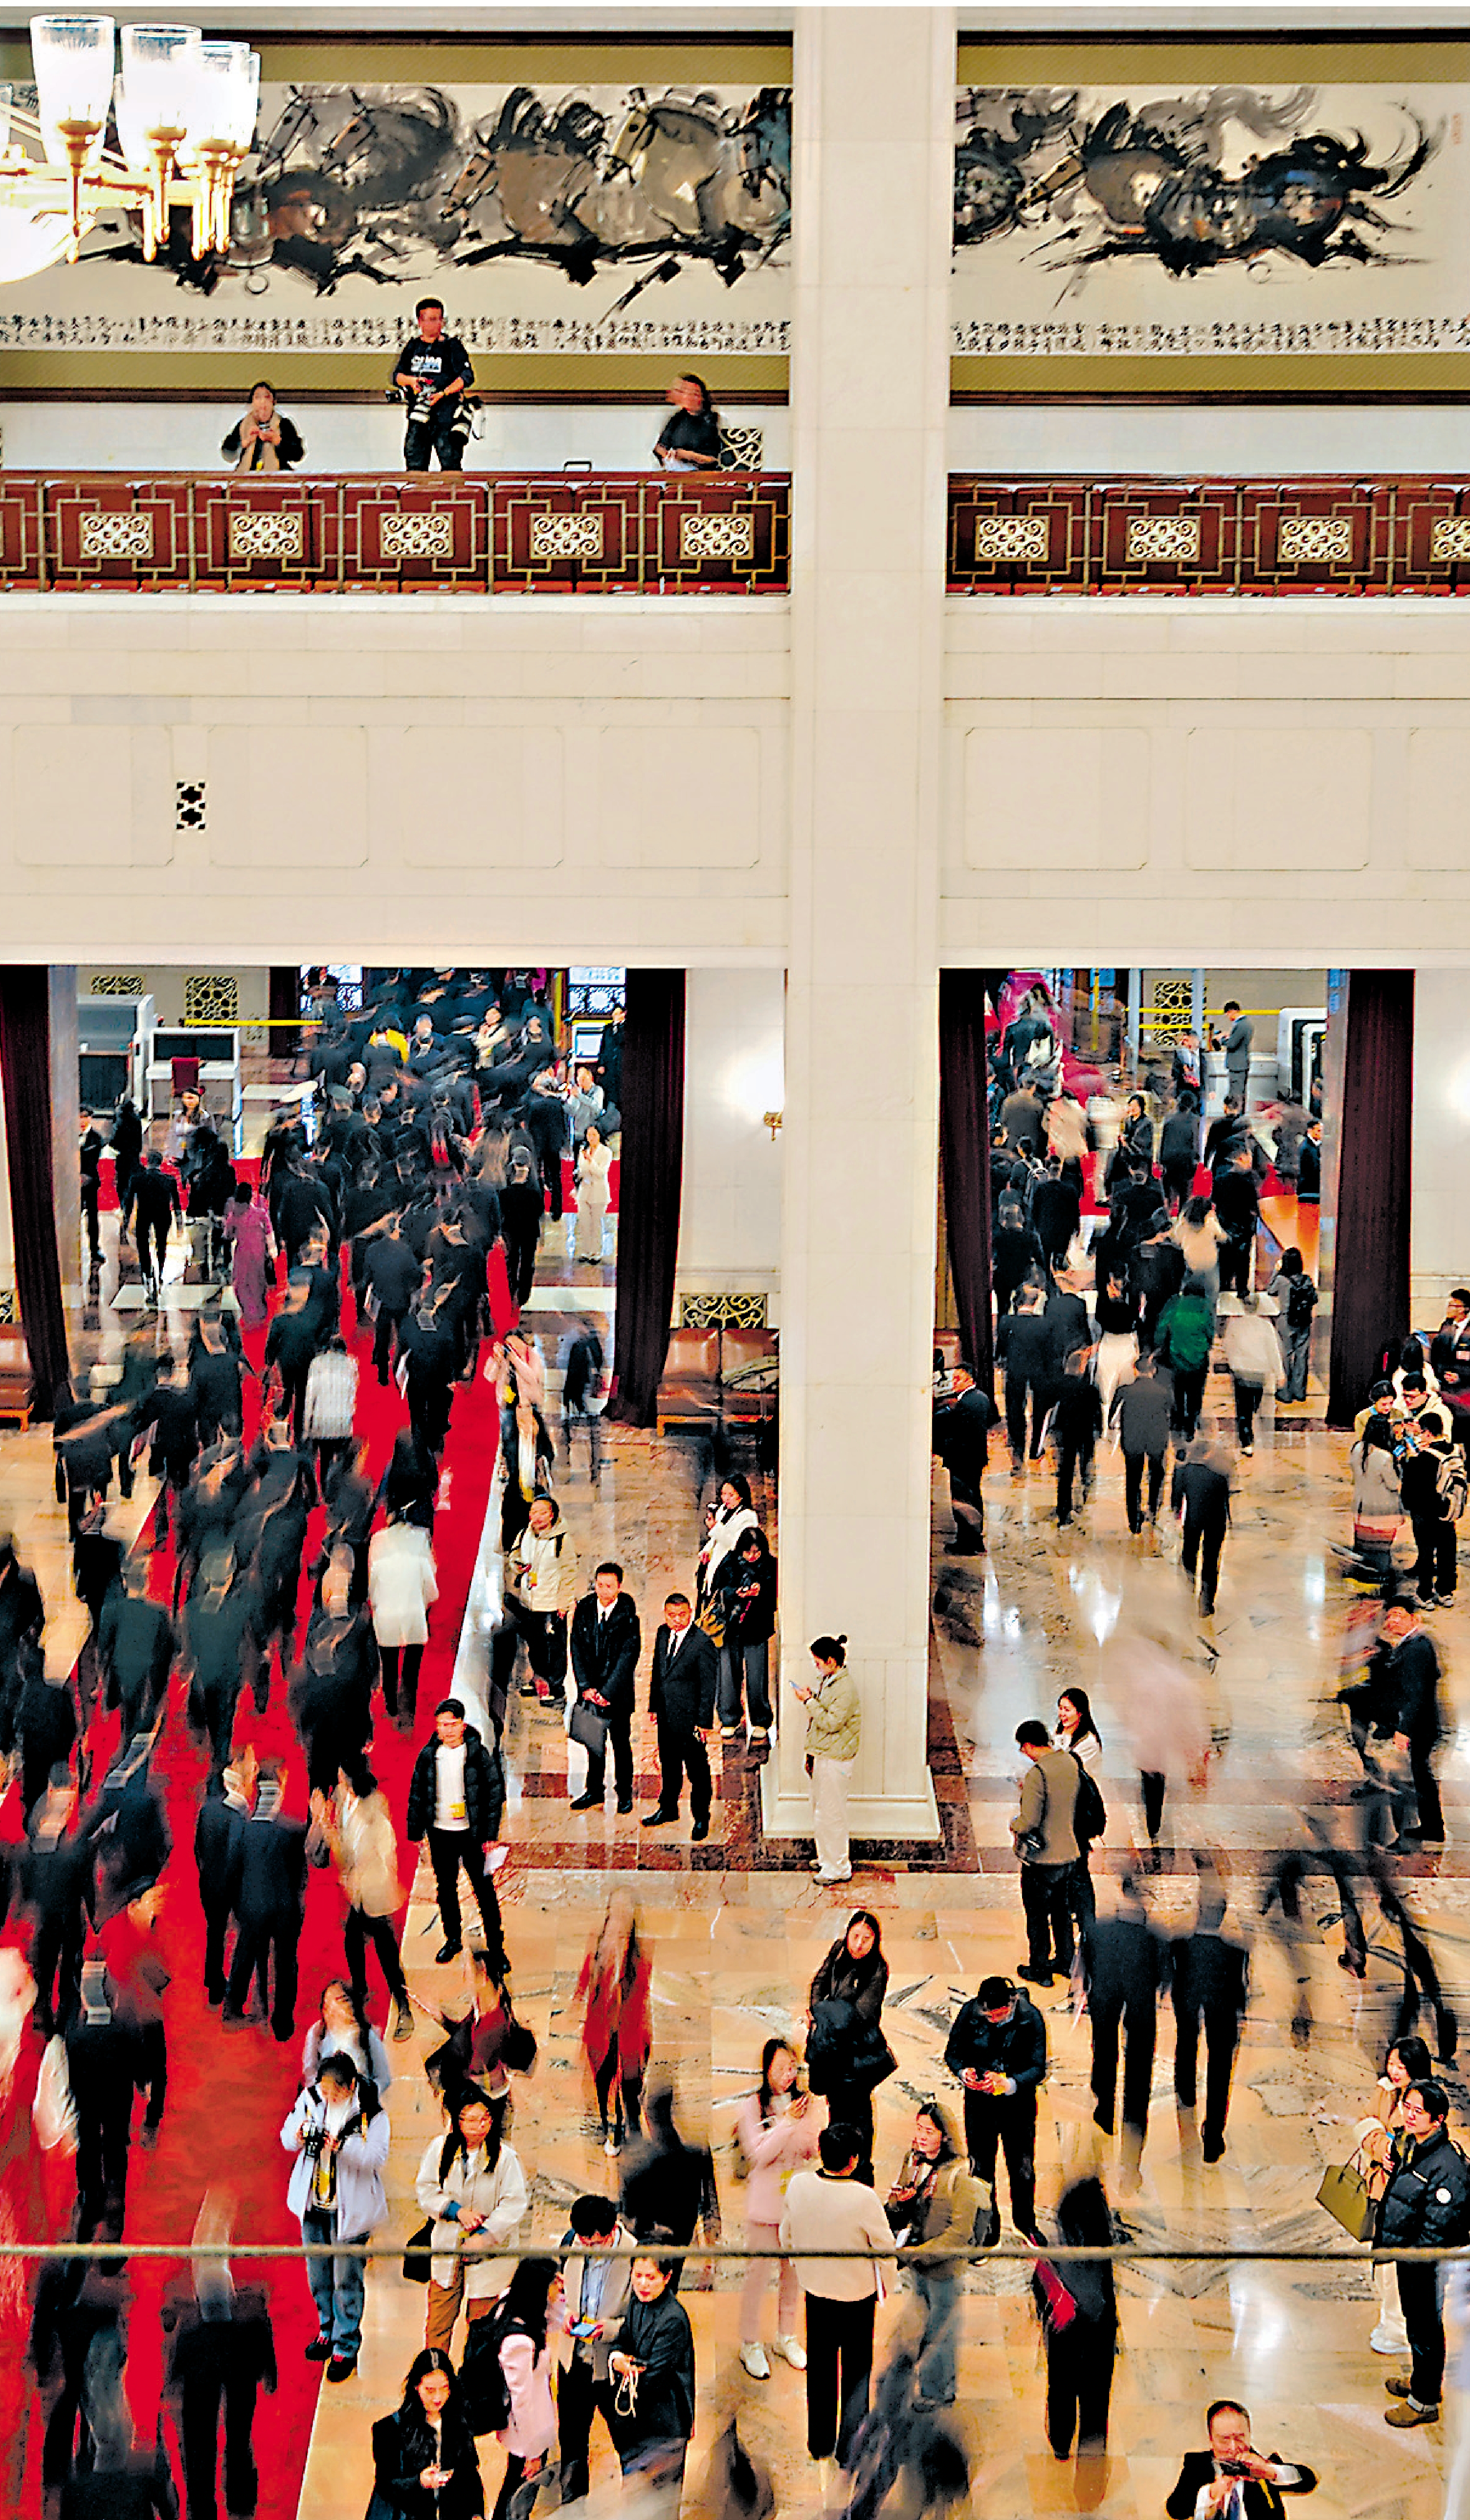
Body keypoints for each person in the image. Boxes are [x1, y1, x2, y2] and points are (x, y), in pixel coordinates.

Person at [780, 2124, 897, 2475]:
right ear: (854, 2160)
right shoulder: (864, 2198)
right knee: (857, 2374)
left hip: (816, 2293)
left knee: (820, 2370)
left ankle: (819, 2443)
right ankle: (850, 2449)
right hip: (856, 2299)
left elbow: (787, 2235)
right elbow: (885, 2249)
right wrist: (886, 2287)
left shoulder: (799, 2185)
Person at [280, 2052, 389, 2383]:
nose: (328, 2097)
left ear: (351, 2086)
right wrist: (299, 2135)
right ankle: (326, 2328)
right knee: (318, 2274)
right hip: (314, 2204)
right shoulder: (311, 2098)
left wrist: (341, 2145)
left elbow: (377, 2156)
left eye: (335, 2092)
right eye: (324, 2090)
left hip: (350, 2209)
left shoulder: (371, 2111)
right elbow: (286, 2137)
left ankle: (346, 2344)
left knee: (347, 2280)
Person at [1376, 2078, 1470, 2425]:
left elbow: (1439, 2227)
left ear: (1439, 2120)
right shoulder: (1412, 2144)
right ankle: (1421, 2382)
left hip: (1426, 2261)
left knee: (1426, 2328)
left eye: (1420, 2112)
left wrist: (1416, 2257)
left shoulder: (1448, 2167)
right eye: (1408, 2107)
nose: (1411, 2116)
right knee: (1416, 2324)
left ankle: (1424, 2401)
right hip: (1409, 2254)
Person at [416, 2082, 529, 2354]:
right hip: (449, 2252)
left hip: (490, 2259)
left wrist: (486, 2235)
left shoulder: (505, 2158)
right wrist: (457, 2211)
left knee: (483, 2330)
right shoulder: (440, 2150)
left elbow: (514, 2203)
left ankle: (474, 2387)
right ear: (458, 2121)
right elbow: (426, 2191)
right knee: (437, 2328)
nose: (481, 2126)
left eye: (486, 2119)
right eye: (473, 2120)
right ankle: (436, 2377)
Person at [884, 2100, 982, 2409]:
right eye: (919, 2129)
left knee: (942, 2333)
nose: (922, 2136)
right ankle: (928, 2382)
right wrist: (899, 2202)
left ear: (945, 2134)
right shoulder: (913, 2161)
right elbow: (899, 2211)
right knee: (924, 2326)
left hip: (943, 2269)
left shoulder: (960, 2173)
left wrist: (917, 2254)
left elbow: (959, 2234)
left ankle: (939, 2391)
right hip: (919, 2263)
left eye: (930, 2130)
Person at [312, 1759, 413, 2042]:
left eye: (342, 1777)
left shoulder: (375, 1816)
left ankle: (403, 2005)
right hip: (358, 1891)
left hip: (374, 1894)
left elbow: (350, 1858)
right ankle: (360, 1989)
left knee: (386, 1952)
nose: (338, 1781)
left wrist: (325, 1825)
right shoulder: (344, 1799)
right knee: (353, 1942)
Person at [943, 1972, 1046, 2245]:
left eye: (998, 2015)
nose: (993, 2020)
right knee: (981, 2168)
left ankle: (1026, 2222)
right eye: (988, 2016)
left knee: (1022, 2168)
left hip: (1018, 2107)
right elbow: (952, 2053)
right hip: (980, 2106)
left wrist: (1009, 2083)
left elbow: (1038, 2069)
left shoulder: (1030, 2018)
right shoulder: (971, 2013)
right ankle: (989, 2224)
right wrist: (964, 2073)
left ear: (1010, 2005)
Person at [735, 2037, 817, 2380]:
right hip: (765, 2206)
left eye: (793, 2068)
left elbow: (811, 2147)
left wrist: (787, 2134)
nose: (788, 2075)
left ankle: (787, 2336)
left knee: (792, 2276)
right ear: (767, 2069)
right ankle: (749, 2342)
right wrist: (785, 2126)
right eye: (782, 2068)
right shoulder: (753, 2106)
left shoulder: (808, 2104)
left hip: (796, 2204)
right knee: (757, 2277)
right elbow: (758, 2154)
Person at [405, 1699, 506, 1966]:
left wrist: (490, 1835)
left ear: (462, 1725)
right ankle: (452, 1940)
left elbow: (494, 1794)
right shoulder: (429, 1756)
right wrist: (415, 1833)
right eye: (442, 1725)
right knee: (446, 1890)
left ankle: (496, 1947)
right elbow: (417, 1794)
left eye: (452, 1724)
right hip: (441, 1834)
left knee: (484, 1892)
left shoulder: (476, 1754)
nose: (447, 1730)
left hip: (471, 1835)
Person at [1353, 2035, 1434, 2357]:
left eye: (1401, 2065)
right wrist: (1380, 2145)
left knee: (1395, 2270)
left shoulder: (1425, 2102)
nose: (1395, 2070)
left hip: (1404, 2200)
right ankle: (1391, 2324)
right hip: (1381, 2192)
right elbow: (1365, 2121)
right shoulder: (1386, 2091)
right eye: (1391, 2063)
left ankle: (1398, 2330)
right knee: (1384, 2264)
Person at [1035, 2175, 1118, 2473]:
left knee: (1061, 2388)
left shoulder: (1057, 2246)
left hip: (1065, 2332)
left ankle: (1060, 2444)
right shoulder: (1102, 2248)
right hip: (1098, 2335)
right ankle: (1090, 2483)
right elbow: (1104, 2294)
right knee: (1095, 2408)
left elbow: (1040, 2287)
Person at [556, 2193, 634, 2504]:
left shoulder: (636, 2256)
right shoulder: (574, 2242)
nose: (586, 2246)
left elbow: (640, 2319)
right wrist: (566, 2315)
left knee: (628, 2443)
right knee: (572, 2443)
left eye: (593, 2241)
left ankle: (635, 2506)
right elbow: (562, 2289)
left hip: (611, 2369)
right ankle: (574, 2508)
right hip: (573, 2362)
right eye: (582, 2240)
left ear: (611, 2231)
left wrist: (609, 2329)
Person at [223, 1758, 306, 2041]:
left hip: (252, 1906)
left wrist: (238, 1907)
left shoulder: (242, 1828)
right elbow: (299, 1876)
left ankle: (233, 2006)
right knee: (285, 1964)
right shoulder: (293, 1829)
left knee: (244, 1955)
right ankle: (282, 2021)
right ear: (279, 1789)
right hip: (285, 1908)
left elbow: (232, 1870)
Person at [603, 2247, 697, 2498]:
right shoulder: (637, 2303)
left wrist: (630, 2366)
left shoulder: (673, 2320)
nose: (643, 2284)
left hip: (665, 2425)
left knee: (661, 2501)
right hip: (636, 2423)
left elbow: (654, 2376)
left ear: (667, 2278)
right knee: (635, 2497)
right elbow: (622, 2341)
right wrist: (618, 2359)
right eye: (638, 2276)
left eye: (651, 2277)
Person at [805, 1911, 891, 2184]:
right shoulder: (839, 1949)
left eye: (867, 1939)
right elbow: (819, 1982)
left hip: (857, 2054)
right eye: (855, 1936)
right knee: (836, 2109)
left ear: (875, 1941)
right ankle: (838, 2160)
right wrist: (818, 2010)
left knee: (859, 2112)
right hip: (832, 2048)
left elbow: (858, 2015)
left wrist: (823, 2015)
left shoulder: (877, 1968)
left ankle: (863, 2168)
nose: (859, 1944)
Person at [478, 2255, 563, 2520]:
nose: (559, 2286)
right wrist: (533, 2452)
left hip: (527, 2427)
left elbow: (558, 2318)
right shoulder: (519, 2341)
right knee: (518, 2495)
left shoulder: (512, 2301)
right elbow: (522, 2401)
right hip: (526, 2432)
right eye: (554, 2282)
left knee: (516, 2490)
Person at [1171, 1881, 1250, 2164]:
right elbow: (1240, 1989)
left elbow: (1172, 1978)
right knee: (1220, 2069)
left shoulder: (1180, 1942)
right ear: (1223, 1914)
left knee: (1186, 2044)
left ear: (1199, 1910)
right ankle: (1214, 2134)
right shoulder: (1235, 1949)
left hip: (1189, 2002)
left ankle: (1186, 2094)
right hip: (1222, 2010)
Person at [619, 2083, 720, 2293]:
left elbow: (627, 2212)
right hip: (678, 2235)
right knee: (667, 2287)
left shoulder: (640, 2158)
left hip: (651, 2237)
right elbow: (710, 2208)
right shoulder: (696, 2154)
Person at [578, 1893, 652, 2157]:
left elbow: (640, 2001)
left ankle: (626, 2128)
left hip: (628, 2039)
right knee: (603, 2084)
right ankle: (608, 2123)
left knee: (629, 2091)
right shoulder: (598, 1951)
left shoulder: (639, 1960)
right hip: (601, 2037)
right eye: (614, 1917)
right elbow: (585, 1981)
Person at [371, 2348, 484, 2520]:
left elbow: (470, 2473)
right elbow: (386, 2485)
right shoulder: (389, 2429)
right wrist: (419, 2482)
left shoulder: (460, 2423)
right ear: (417, 2387)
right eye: (430, 2391)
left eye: (445, 2389)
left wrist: (476, 2513)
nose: (438, 2398)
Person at [1010, 1720, 1081, 1987]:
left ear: (1029, 1745)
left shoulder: (1037, 1775)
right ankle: (1065, 1962)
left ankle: (1039, 1969)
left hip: (1042, 1859)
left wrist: (1014, 1825)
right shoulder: (1070, 1763)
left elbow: (1029, 1821)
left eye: (1023, 1748)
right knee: (1062, 1913)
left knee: (1037, 1916)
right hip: (1068, 1853)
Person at [1372, 1594, 1445, 1846]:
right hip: (1422, 1724)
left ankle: (1426, 1830)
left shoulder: (1415, 1648)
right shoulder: (1415, 1643)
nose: (1393, 1620)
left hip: (1419, 1726)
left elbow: (1417, 1693)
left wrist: (1405, 1729)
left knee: (1416, 1779)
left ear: (1415, 1618)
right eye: (1390, 1616)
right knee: (1421, 1776)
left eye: (1399, 1615)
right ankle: (1433, 1827)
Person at [568, 1562, 641, 1817]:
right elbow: (576, 1646)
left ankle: (624, 1794)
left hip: (617, 1696)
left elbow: (628, 1658)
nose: (603, 1590)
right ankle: (594, 1790)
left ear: (619, 1587)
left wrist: (607, 1693)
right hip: (590, 1692)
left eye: (609, 1586)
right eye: (600, 1584)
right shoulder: (586, 1608)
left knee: (621, 1745)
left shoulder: (629, 1615)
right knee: (593, 1743)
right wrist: (586, 1687)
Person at [644, 1592, 716, 1843]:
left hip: (690, 1720)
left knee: (697, 1771)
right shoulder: (663, 1634)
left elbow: (709, 1687)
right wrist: (654, 1706)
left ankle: (701, 1817)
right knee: (669, 1764)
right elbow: (658, 1670)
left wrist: (704, 1722)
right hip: (666, 1715)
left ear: (690, 1613)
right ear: (665, 1614)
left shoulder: (702, 1644)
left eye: (682, 1615)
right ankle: (668, 1808)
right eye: (672, 1615)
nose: (677, 1620)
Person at [1165, 2399, 1316, 2518]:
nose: (1233, 2447)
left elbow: (1308, 2481)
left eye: (1239, 2438)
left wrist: (1270, 2472)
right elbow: (1176, 2510)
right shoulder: (1196, 2464)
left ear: (1249, 2434)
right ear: (1211, 2439)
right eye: (1224, 2440)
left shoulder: (1262, 2464)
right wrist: (1211, 2494)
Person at [793, 1633, 861, 1885]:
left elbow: (831, 1722)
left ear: (832, 1661)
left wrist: (809, 1701)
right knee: (822, 1811)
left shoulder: (845, 1688)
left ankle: (838, 1867)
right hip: (826, 1754)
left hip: (836, 1759)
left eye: (818, 1662)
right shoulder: (832, 1681)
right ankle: (827, 1859)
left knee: (832, 1813)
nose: (816, 1667)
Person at [368, 1515, 439, 1730]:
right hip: (414, 1619)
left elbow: (373, 1596)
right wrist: (420, 1603)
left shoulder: (379, 1566)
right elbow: (433, 1593)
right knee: (411, 1672)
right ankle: (407, 1716)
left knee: (389, 1667)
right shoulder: (419, 1562)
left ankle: (391, 1707)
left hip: (387, 1620)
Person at [393, 298, 474, 472]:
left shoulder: (453, 346)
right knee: (415, 465)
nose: (434, 324)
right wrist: (412, 382)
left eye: (438, 319)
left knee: (451, 466)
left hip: (447, 416)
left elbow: (466, 377)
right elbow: (397, 376)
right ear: (420, 322)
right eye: (429, 319)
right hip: (419, 416)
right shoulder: (413, 347)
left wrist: (444, 393)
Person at [714, 1528, 778, 1743]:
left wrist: (760, 1593)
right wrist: (736, 1593)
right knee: (727, 1676)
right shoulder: (730, 1562)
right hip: (731, 1628)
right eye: (748, 1552)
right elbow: (718, 1591)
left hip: (756, 1629)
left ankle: (760, 1720)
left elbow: (775, 1600)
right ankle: (729, 1719)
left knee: (756, 1677)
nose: (751, 1557)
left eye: (756, 1552)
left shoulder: (771, 1566)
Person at [1397, 1405, 1461, 1611]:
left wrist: (1407, 1462)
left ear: (1427, 1433)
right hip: (1448, 1512)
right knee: (1447, 1552)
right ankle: (1446, 1592)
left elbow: (1411, 1490)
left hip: (1425, 1514)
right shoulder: (1456, 1451)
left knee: (1426, 1554)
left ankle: (1425, 1595)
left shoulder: (1424, 1459)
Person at [931, 1360, 998, 1556]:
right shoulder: (980, 1398)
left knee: (963, 1499)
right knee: (972, 1497)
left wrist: (943, 1448)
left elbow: (961, 1435)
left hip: (964, 1459)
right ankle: (975, 1539)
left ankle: (967, 1542)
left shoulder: (968, 1403)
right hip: (974, 1458)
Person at [1172, 1422, 1233, 1618]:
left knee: (1189, 1554)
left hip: (1193, 1519)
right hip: (1216, 1521)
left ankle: (1186, 1591)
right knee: (1211, 1561)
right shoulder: (1220, 1471)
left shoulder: (1184, 1471)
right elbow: (1226, 1497)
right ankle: (1206, 1602)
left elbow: (1176, 1497)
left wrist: (1177, 1512)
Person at [302, 1976, 394, 2100]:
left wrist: (363, 2095)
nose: (336, 2007)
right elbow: (310, 2074)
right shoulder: (317, 2034)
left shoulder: (367, 2034)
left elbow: (383, 2078)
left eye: (343, 2000)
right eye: (328, 2003)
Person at [1111, 1350, 1172, 1534]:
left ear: (1135, 1371)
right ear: (1153, 1371)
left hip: (1133, 1441)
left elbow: (1112, 1416)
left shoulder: (1125, 1391)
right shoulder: (1163, 1392)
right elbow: (1172, 1413)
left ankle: (1133, 1521)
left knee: (1133, 1480)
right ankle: (1153, 1510)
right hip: (1156, 1441)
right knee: (1156, 1477)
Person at [1221, 1291, 1281, 1455]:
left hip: (1241, 1372)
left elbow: (1228, 1346)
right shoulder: (1266, 1327)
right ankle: (1247, 1436)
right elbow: (1273, 1352)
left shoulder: (1235, 1325)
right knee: (1253, 1405)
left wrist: (1233, 1363)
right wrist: (1279, 1374)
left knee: (1243, 1408)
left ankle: (1246, 1439)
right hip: (1259, 1373)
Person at [1268, 1246, 1318, 1404]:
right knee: (1302, 1357)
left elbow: (1270, 1290)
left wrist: (1277, 1271)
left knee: (1286, 1356)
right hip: (1304, 1322)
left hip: (1286, 1322)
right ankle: (1300, 1392)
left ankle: (1285, 1394)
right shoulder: (1307, 1280)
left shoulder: (1282, 1281)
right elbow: (1315, 1299)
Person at [131, 1151, 181, 1303]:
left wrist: (126, 1220)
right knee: (162, 1242)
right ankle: (160, 1266)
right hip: (163, 1215)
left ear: (147, 1162)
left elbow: (129, 1201)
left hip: (144, 1215)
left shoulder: (138, 1179)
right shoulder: (169, 1180)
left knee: (143, 1243)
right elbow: (177, 1203)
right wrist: (179, 1223)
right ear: (161, 1163)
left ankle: (147, 1270)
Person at [221, 379, 304, 471]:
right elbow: (227, 455)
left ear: (274, 402)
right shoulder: (243, 425)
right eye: (258, 398)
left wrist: (278, 441)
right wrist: (244, 443)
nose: (263, 402)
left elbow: (298, 455)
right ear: (252, 403)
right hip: (247, 479)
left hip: (278, 478)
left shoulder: (284, 424)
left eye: (267, 397)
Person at [653, 372, 722, 471]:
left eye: (693, 393)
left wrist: (688, 455)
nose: (686, 396)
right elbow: (661, 446)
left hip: (702, 475)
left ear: (700, 397)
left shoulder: (711, 420)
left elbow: (713, 459)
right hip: (676, 473)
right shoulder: (678, 418)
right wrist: (667, 455)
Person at [572, 1125, 613, 1263]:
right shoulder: (583, 1150)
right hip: (585, 1190)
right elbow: (581, 1170)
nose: (591, 1138)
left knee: (596, 1224)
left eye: (594, 1135)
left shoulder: (606, 1152)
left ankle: (596, 1253)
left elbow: (601, 1173)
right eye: (589, 1135)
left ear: (599, 1136)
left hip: (599, 1192)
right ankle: (585, 1251)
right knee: (584, 1223)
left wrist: (590, 1161)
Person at [1213, 1001, 1254, 1109]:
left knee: (1236, 1094)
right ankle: (1238, 1115)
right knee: (1240, 1093)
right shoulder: (1246, 1024)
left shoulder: (1241, 1025)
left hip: (1237, 1065)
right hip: (1241, 1064)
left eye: (1228, 1014)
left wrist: (1221, 1039)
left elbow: (1232, 1044)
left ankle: (1235, 1116)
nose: (1228, 1017)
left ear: (1232, 1012)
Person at [78, 1109, 103, 1273]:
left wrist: (85, 1175)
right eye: (79, 1117)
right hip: (72, 1183)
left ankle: (95, 1249)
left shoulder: (96, 1138)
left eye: (85, 1117)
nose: (82, 1120)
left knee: (93, 1217)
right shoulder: (68, 1136)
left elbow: (93, 1158)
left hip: (91, 1182)